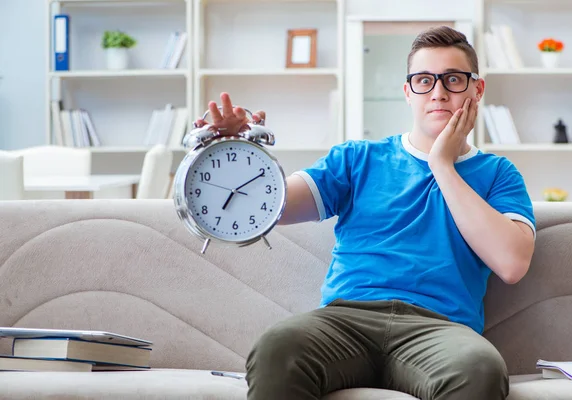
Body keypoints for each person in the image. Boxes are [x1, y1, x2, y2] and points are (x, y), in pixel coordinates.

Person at [195, 26, 535, 400]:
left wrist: (443, 164)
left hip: (440, 331)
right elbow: (270, 207)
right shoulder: (358, 159)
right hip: (346, 321)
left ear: (477, 89)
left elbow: (512, 263)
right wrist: (233, 150)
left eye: (453, 79)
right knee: (277, 347)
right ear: (408, 92)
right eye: (424, 80)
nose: (438, 93)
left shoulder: (499, 174)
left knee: (480, 368)